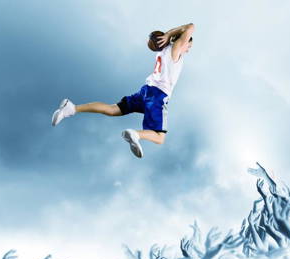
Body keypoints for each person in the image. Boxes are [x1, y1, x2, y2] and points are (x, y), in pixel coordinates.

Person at [51, 23, 195, 158]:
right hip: (158, 95)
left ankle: (72, 108)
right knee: (159, 137)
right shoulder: (175, 49)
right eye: (189, 44)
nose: (189, 48)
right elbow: (191, 26)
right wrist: (169, 33)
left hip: (146, 90)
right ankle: (136, 134)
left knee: (113, 109)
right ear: (182, 41)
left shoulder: (163, 51)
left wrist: (169, 35)